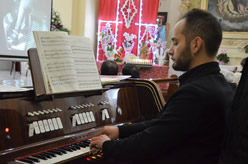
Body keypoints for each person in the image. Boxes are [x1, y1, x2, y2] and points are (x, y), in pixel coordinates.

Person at [90, 9, 234, 164]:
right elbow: (165, 125)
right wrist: (120, 131)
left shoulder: (194, 93)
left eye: (176, 42)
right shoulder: (219, 84)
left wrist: (107, 145)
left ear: (196, 44)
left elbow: (147, 144)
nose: (170, 51)